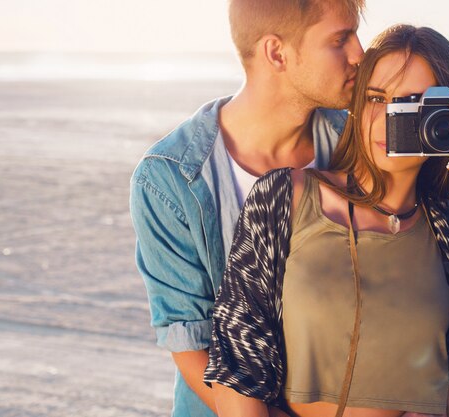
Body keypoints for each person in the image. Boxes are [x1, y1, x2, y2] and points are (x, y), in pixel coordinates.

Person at [204, 24, 449, 417]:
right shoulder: (286, 198)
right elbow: (235, 367)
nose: (387, 118)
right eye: (377, 97)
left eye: (413, 103)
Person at [129, 1, 366, 416]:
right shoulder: (170, 179)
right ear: (276, 53)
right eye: (339, 39)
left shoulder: (361, 143)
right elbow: (191, 342)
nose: (359, 54)